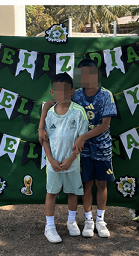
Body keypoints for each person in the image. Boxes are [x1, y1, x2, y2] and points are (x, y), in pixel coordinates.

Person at [39, 59, 116, 239]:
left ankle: (100, 220)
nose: (88, 78)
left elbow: (104, 126)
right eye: (84, 75)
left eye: (92, 74)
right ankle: (88, 219)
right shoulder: (77, 95)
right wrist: (41, 126)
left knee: (101, 184)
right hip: (82, 152)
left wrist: (82, 136)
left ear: (98, 75)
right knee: (86, 184)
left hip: (101, 148)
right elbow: (51, 103)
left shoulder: (106, 95)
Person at [40, 73, 89, 244]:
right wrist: (51, 160)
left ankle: (71, 221)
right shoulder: (48, 113)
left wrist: (70, 159)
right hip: (52, 162)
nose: (62, 95)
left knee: (72, 192)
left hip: (72, 162)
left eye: (65, 91)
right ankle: (50, 226)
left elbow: (81, 139)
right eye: (58, 92)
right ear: (52, 93)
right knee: (51, 193)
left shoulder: (78, 112)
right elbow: (44, 139)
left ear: (72, 91)